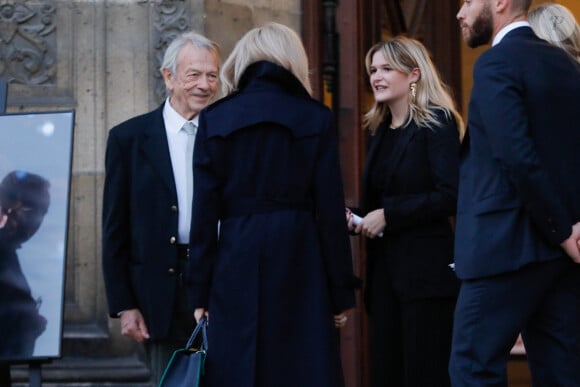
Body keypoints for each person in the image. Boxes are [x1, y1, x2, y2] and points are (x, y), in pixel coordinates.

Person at [186, 22, 357, 387]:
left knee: (238, 366)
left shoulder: (216, 117)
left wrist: (199, 290)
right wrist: (340, 290)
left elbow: (203, 214)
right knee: (301, 366)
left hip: (236, 255)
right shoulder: (315, 116)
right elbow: (329, 211)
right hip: (300, 256)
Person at [452, 0, 580, 385]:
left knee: (472, 368)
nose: (460, 12)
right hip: (562, 254)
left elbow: (516, 157)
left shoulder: (497, 63)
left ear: (500, 3)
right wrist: (569, 229)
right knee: (561, 374)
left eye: (469, 2)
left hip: (504, 249)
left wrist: (561, 228)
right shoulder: (566, 66)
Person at [101, 31, 220, 384]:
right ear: (168, 77)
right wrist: (125, 304)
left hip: (217, 283)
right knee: (168, 378)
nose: (204, 85)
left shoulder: (225, 136)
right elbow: (115, 228)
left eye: (211, 75)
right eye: (193, 75)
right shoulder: (128, 139)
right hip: (156, 291)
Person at [347, 36, 463, 387]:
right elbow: (377, 205)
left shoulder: (436, 123)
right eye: (372, 70)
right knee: (387, 373)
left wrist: (391, 214)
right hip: (384, 277)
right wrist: (353, 217)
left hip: (426, 277)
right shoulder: (380, 130)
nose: (376, 77)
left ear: (413, 74)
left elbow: (451, 194)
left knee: (424, 375)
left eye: (386, 69)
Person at [0, 170, 50, 360]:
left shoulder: (8, 251)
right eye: (32, 210)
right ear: (8, 207)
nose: (37, 222)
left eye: (43, 212)